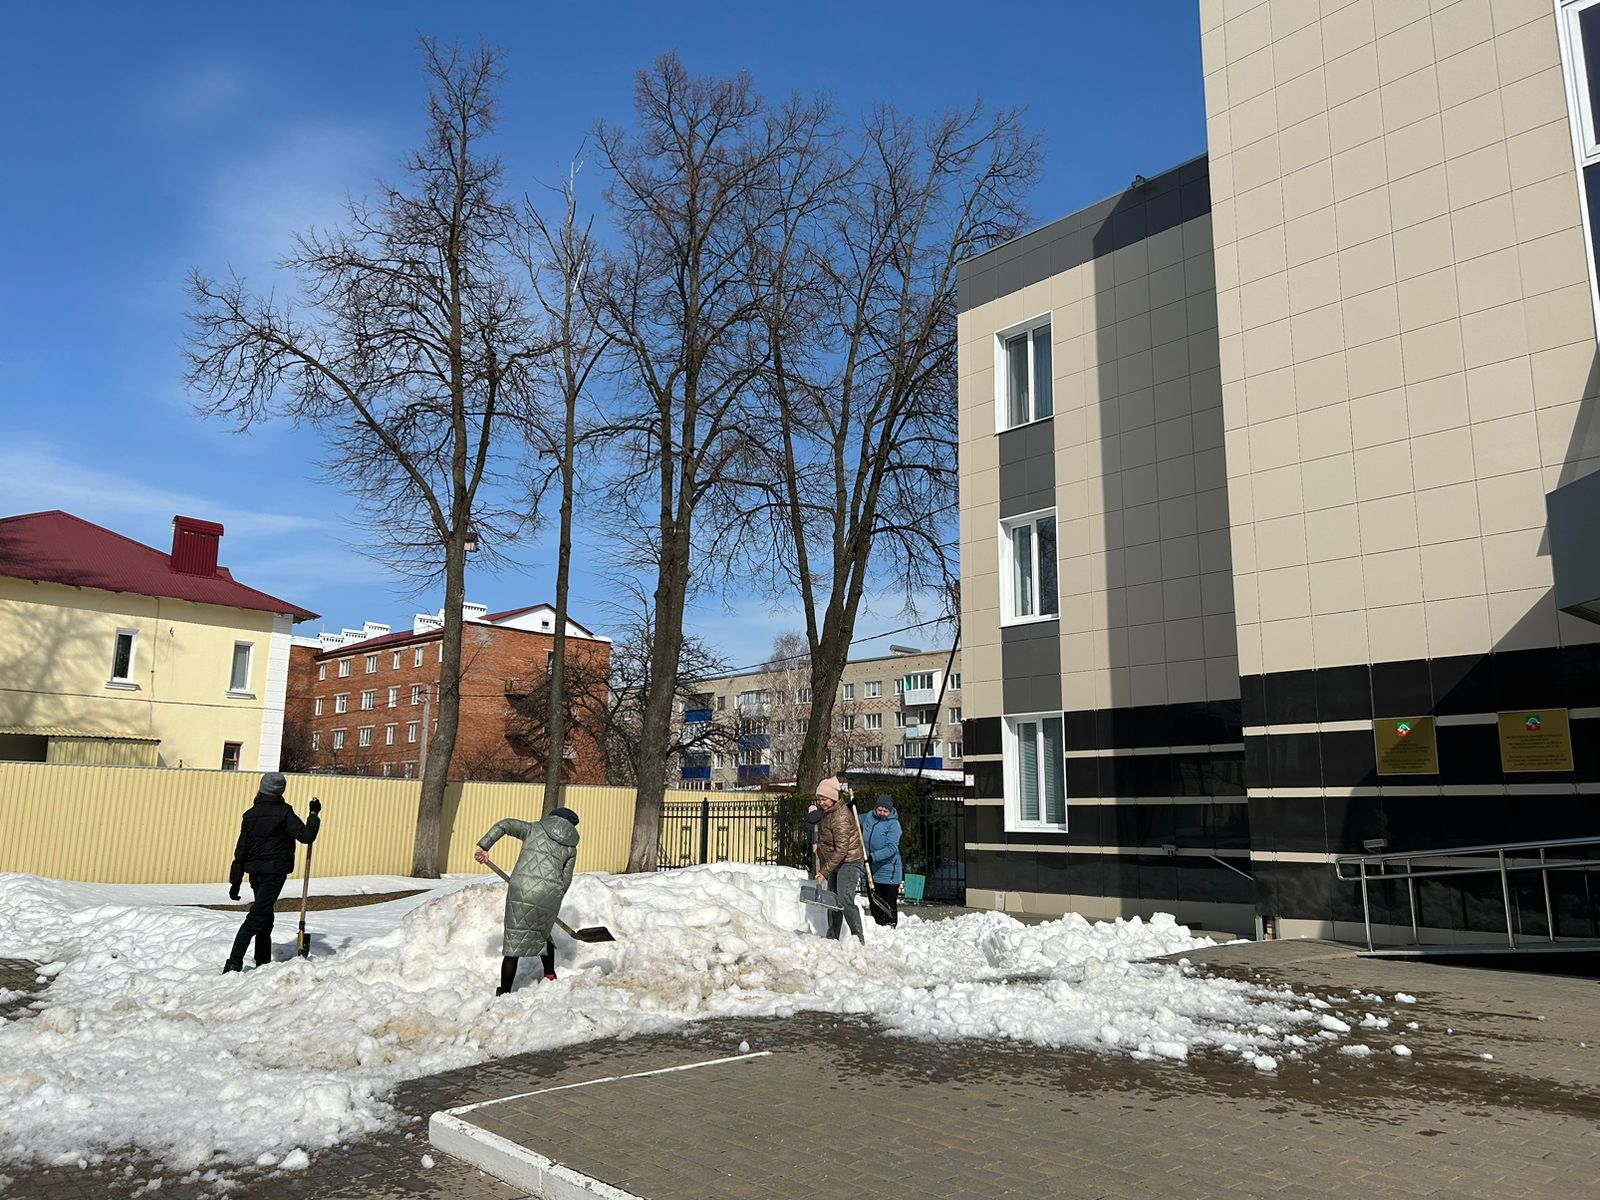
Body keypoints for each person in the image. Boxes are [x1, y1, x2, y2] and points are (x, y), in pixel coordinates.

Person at [475, 807, 581, 996]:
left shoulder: (533, 829)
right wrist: (555, 896)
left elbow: (505, 824)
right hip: (549, 895)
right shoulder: (571, 848)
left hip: (521, 891)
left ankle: (505, 991)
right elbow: (566, 879)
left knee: (513, 943)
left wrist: (484, 846)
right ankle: (550, 975)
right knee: (543, 935)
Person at [224, 772, 320, 973]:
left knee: (266, 918)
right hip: (274, 873)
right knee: (257, 917)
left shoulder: (250, 814)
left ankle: (262, 962)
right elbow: (306, 836)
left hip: (256, 873)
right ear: (280, 791)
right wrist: (313, 815)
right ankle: (233, 963)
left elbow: (241, 849)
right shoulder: (284, 812)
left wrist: (235, 881)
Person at [813, 789, 866, 943]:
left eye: (824, 799)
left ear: (833, 798)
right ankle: (832, 936)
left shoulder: (840, 816)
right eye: (819, 799)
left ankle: (858, 938)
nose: (821, 803)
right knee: (833, 898)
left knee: (844, 898)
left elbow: (842, 849)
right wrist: (820, 845)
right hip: (836, 860)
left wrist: (824, 872)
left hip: (850, 861)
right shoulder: (829, 812)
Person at [859, 795, 903, 928]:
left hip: (888, 871)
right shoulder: (868, 817)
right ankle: (879, 928)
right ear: (875, 808)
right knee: (874, 903)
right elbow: (854, 818)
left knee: (888, 904)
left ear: (890, 811)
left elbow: (891, 848)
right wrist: (850, 807)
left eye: (885, 811)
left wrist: (873, 857)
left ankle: (890, 927)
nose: (882, 813)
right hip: (871, 869)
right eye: (879, 810)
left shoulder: (894, 825)